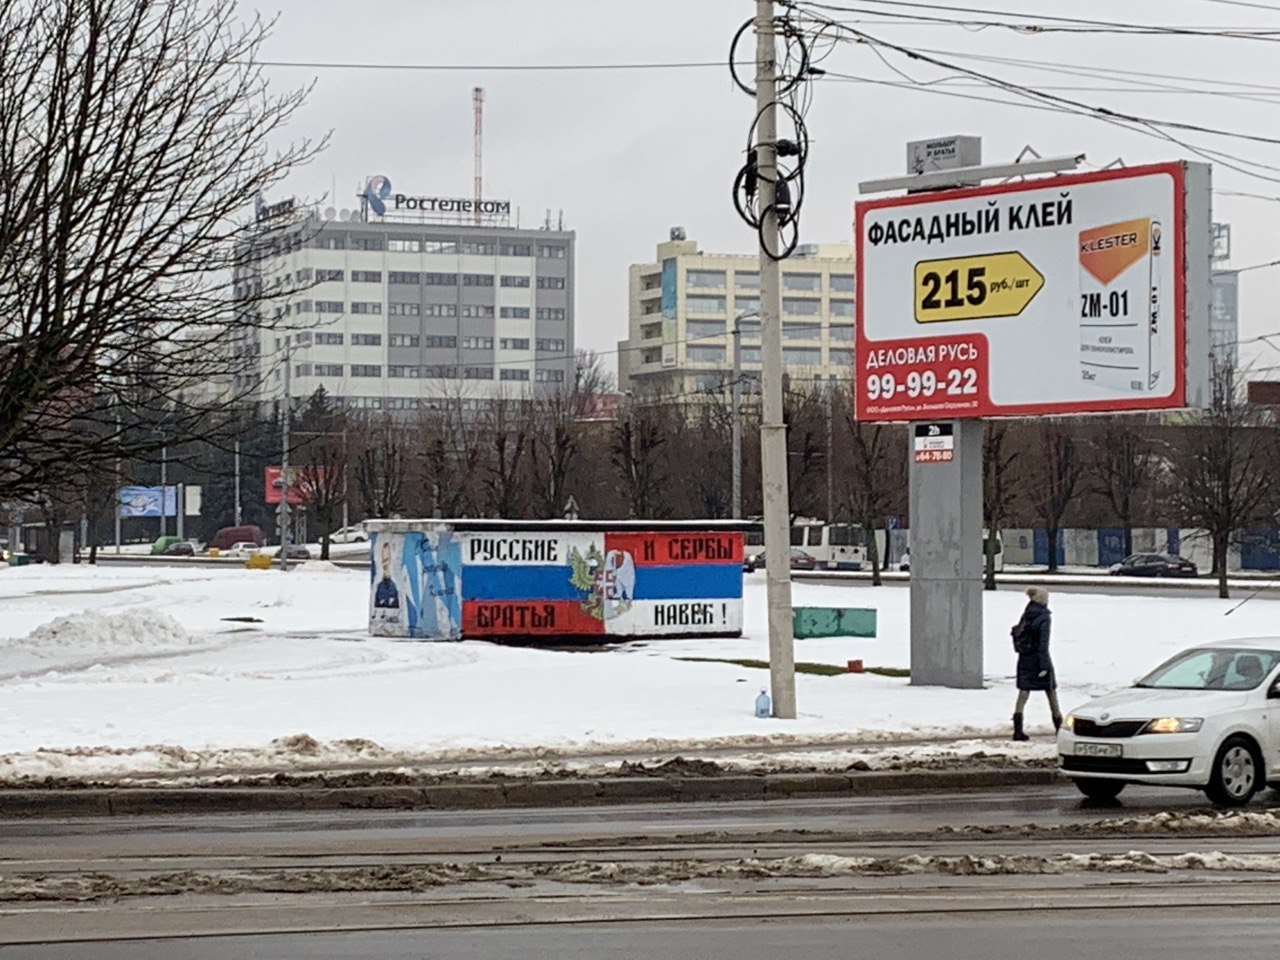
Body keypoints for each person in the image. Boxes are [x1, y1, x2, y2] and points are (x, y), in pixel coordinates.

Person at [1012, 586, 1060, 741]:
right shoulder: (1044, 617)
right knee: (1051, 692)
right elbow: (1043, 645)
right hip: (1038, 659)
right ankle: (1059, 728)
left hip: (1025, 658)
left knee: (1023, 693)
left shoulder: (1027, 614)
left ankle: (1017, 730)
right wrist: (1044, 666)